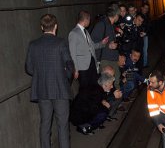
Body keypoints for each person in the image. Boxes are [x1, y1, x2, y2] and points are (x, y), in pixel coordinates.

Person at [25, 14, 74, 148]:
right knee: (62, 126)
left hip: (42, 90)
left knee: (45, 125)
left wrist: (42, 75)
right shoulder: (61, 43)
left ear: (42, 27)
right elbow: (70, 66)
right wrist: (65, 78)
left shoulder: (33, 45)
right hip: (60, 90)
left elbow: (28, 68)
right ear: (56, 26)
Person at [68, 10, 109, 92]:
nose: (89, 22)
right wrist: (75, 69)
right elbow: (72, 53)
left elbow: (92, 46)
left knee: (94, 86)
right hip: (82, 67)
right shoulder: (73, 33)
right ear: (86, 19)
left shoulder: (85, 32)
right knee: (84, 89)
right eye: (89, 20)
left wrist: (102, 43)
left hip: (91, 64)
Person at [91, 4, 121, 89]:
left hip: (112, 59)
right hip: (105, 60)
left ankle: (114, 100)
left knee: (116, 81)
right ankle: (106, 101)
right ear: (115, 15)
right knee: (107, 84)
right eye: (118, 15)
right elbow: (92, 42)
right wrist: (108, 45)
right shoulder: (101, 24)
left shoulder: (111, 25)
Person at [140, 3, 150, 67]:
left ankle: (145, 64)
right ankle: (142, 63)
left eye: (147, 8)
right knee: (140, 50)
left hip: (145, 35)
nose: (146, 9)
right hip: (139, 35)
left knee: (145, 50)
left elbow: (149, 27)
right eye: (145, 8)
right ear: (142, 8)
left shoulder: (147, 16)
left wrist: (146, 32)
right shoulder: (139, 15)